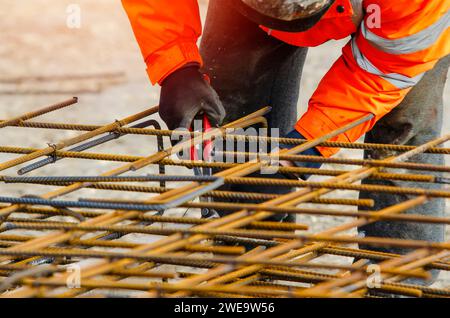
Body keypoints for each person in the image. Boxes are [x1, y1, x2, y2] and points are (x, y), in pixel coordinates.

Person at [122, 0, 449, 282]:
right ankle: (251, 267)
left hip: (404, 26)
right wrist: (175, 65)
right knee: (238, 122)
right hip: (249, 12)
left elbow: (388, 69)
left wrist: (304, 151)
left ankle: (394, 279)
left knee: (404, 126)